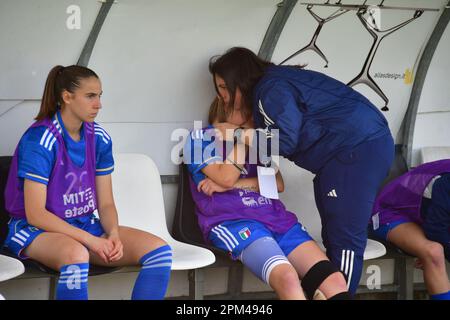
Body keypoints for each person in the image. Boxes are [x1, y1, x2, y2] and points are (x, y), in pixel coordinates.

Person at [208, 47, 395, 294]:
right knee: (334, 237)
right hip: (345, 155)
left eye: (224, 87)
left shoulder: (269, 89)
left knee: (345, 242)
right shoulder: (205, 139)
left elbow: (283, 143)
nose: (223, 97)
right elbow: (266, 178)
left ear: (239, 80)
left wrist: (240, 135)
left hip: (355, 150)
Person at [3, 65, 172, 300]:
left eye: (100, 96)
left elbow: (105, 204)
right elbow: (36, 214)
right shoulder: (40, 140)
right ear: (67, 97)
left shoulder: (99, 138)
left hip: (83, 225)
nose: (99, 104)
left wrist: (112, 233)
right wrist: (92, 241)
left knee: (160, 251)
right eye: (90, 96)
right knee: (76, 255)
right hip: (34, 231)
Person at [183, 97, 350, 300]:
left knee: (335, 282)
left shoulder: (256, 140)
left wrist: (238, 176)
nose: (254, 115)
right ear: (224, 103)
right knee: (288, 278)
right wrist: (243, 137)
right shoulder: (201, 138)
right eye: (245, 108)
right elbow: (226, 177)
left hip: (277, 221)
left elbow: (277, 184)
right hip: (235, 223)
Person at [370, 159, 450, 300]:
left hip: (424, 219)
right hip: (390, 212)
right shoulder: (446, 181)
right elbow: (436, 229)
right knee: (434, 252)